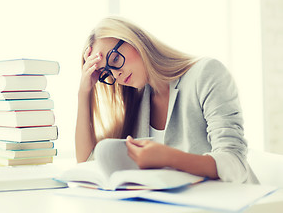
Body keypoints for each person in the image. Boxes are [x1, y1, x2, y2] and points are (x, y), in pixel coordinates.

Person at [75, 16, 258, 184]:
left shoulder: (206, 73)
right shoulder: (137, 99)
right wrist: (84, 92)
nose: (117, 74)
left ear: (136, 41)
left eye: (115, 59)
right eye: (106, 73)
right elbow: (85, 162)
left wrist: (169, 157)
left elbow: (235, 163)